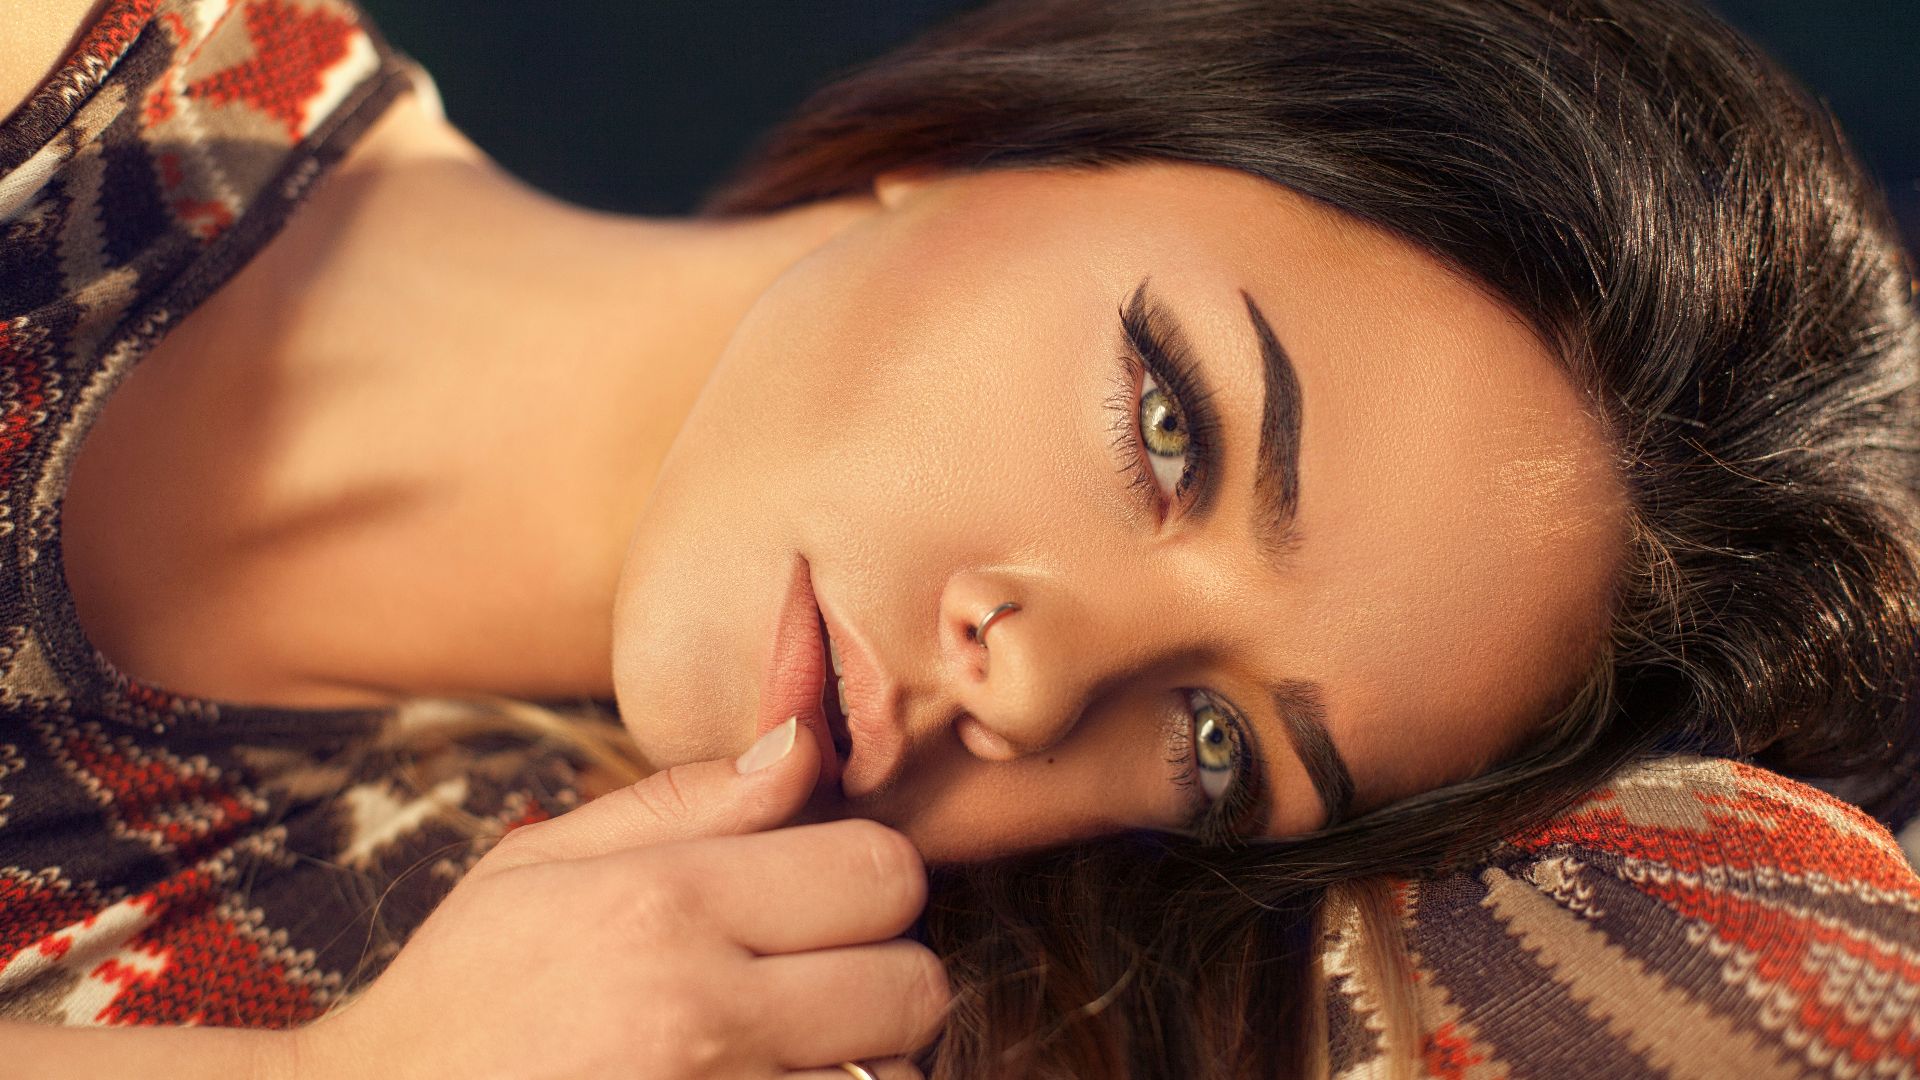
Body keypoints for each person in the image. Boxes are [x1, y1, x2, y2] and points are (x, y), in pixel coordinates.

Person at [1, 0, 1916, 1076]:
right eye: (1171, 427)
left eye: (1216, 742)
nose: (1051, 672)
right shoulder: (80, 70)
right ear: (1021, 133)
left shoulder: (584, 1012)